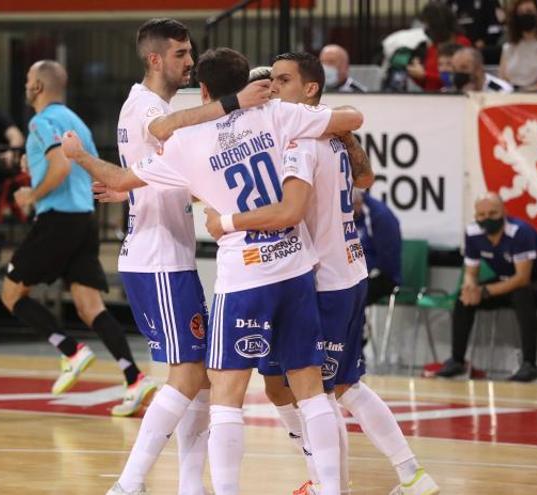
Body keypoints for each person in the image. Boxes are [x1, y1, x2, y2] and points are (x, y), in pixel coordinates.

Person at [63, 47, 364, 495]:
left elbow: (123, 178)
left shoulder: (187, 143)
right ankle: (332, 490)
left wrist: (81, 156)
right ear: (249, 82)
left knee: (226, 397)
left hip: (243, 275)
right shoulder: (276, 113)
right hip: (296, 268)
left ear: (202, 91)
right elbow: (351, 119)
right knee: (309, 389)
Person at [203, 51, 440, 495]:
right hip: (346, 272)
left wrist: (226, 222)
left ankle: (337, 485)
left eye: (284, 80)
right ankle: (407, 473)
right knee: (315, 385)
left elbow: (290, 210)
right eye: (271, 79)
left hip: (323, 280)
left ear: (310, 89)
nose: (273, 87)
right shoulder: (328, 134)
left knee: (322, 393)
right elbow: (366, 178)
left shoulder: (302, 140)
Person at [97, 18, 271, 495]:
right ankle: (129, 483)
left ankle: (190, 487)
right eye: (180, 54)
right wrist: (232, 103)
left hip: (170, 254)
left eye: (191, 53)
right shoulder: (148, 105)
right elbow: (164, 128)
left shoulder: (156, 103)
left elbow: (174, 171)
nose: (190, 62)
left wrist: (132, 186)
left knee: (205, 380)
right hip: (156, 259)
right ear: (155, 59)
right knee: (190, 374)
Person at [0, 60, 152, 416]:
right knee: (89, 306)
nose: (25, 85)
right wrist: (31, 163)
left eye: (27, 79)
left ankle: (70, 350)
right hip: (83, 219)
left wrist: (31, 195)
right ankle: (134, 377)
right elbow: (75, 164)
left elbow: (61, 166)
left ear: (37, 86)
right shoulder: (76, 122)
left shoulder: (39, 121)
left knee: (11, 293)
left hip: (57, 219)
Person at [436, 194, 537, 382]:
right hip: (510, 281)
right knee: (463, 297)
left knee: (522, 295)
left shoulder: (520, 231)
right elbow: (471, 273)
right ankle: (457, 360)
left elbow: (522, 278)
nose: (487, 218)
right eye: (481, 214)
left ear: (504, 212)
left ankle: (529, 365)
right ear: (475, 216)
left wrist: (485, 291)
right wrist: (470, 288)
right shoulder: (473, 233)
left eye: (493, 213)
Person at [407, 1, 473, 92]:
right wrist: (416, 73)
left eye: (428, 25)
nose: (426, 29)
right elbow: (427, 83)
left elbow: (460, 78)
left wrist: (425, 75)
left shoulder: (462, 43)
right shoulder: (433, 47)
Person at [353, 190, 403, 307]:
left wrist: (362, 270)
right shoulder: (350, 214)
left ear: (357, 203)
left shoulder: (381, 217)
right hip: (359, 271)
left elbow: (388, 260)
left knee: (349, 294)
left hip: (384, 276)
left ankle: (356, 325)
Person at [499, 0, 537, 90]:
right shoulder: (508, 47)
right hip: (511, 96)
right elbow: (503, 79)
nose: (525, 15)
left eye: (529, 11)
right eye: (520, 13)